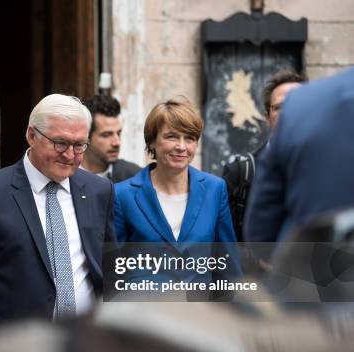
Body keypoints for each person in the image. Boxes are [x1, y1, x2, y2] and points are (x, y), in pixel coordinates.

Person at [0, 94, 116, 343]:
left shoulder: (100, 191)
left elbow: (108, 273)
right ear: (32, 136)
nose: (70, 155)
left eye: (79, 145)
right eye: (60, 143)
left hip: (84, 349)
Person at [114, 97, 240, 284]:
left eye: (189, 138)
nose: (181, 146)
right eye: (171, 136)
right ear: (152, 142)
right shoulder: (122, 195)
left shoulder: (215, 189)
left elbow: (228, 266)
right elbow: (113, 271)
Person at [245, 68, 354, 243]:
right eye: (279, 107)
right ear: (266, 116)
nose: (287, 113)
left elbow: (260, 229)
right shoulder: (244, 168)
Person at [222, 70, 305, 240]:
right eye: (280, 107)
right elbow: (226, 244)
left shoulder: (330, 167)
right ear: (267, 117)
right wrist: (257, 260)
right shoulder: (240, 171)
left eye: (298, 103)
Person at [81, 94, 140, 182]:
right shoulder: (67, 175)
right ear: (86, 137)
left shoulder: (135, 177)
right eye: (107, 135)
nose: (117, 143)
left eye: (118, 133)